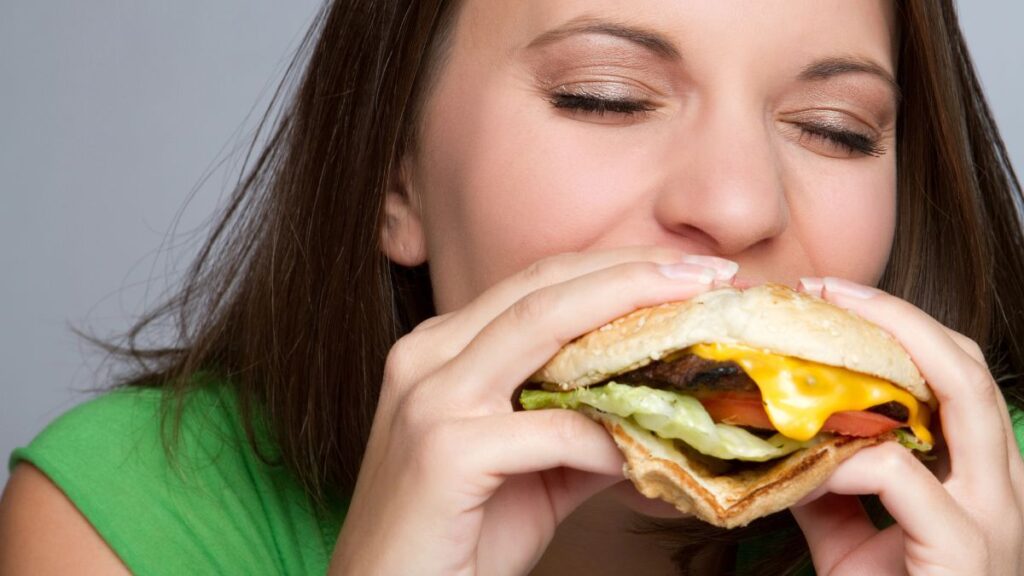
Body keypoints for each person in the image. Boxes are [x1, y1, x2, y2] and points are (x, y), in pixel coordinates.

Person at [2, 0, 1023, 574]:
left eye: (835, 129)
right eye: (604, 99)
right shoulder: (130, 516)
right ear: (391, 175)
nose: (738, 202)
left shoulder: (996, 510)